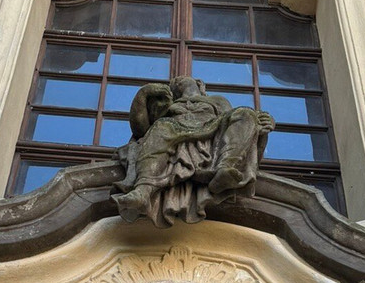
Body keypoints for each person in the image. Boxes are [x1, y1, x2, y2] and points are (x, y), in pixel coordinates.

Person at [113, 76, 275, 227]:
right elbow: (141, 129)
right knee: (160, 127)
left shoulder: (217, 100)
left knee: (245, 113)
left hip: (212, 129)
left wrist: (258, 122)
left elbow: (231, 120)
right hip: (174, 132)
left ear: (200, 85)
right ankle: (143, 191)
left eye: (183, 79)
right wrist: (144, 93)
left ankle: (225, 170)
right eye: (174, 83)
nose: (177, 81)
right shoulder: (167, 106)